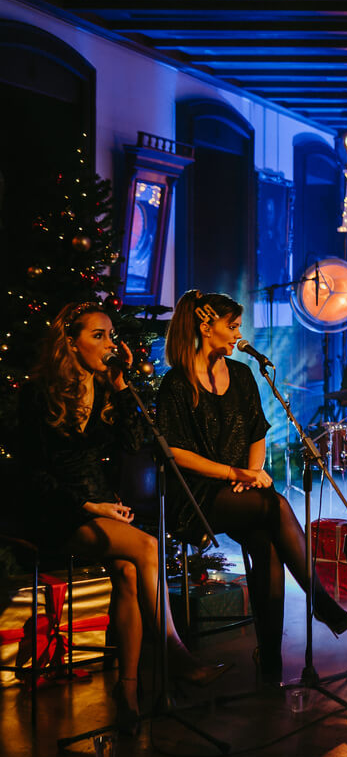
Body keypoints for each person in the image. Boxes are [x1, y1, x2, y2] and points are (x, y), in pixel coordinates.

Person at [8, 302, 228, 730]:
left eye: (111, 335)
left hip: (101, 509)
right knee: (146, 546)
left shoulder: (105, 388)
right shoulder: (38, 394)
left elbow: (132, 442)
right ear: (70, 342)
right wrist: (88, 506)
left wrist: (122, 385)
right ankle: (175, 654)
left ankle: (127, 691)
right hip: (56, 510)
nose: (110, 344)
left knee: (128, 571)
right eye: (98, 336)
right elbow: (32, 473)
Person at [156, 290, 347, 686]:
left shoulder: (243, 375)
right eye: (231, 326)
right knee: (275, 506)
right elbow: (174, 452)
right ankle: (320, 603)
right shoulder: (176, 383)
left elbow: (257, 432)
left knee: (267, 543)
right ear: (205, 327)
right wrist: (237, 474)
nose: (238, 334)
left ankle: (271, 664)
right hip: (195, 495)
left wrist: (250, 472)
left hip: (239, 490)